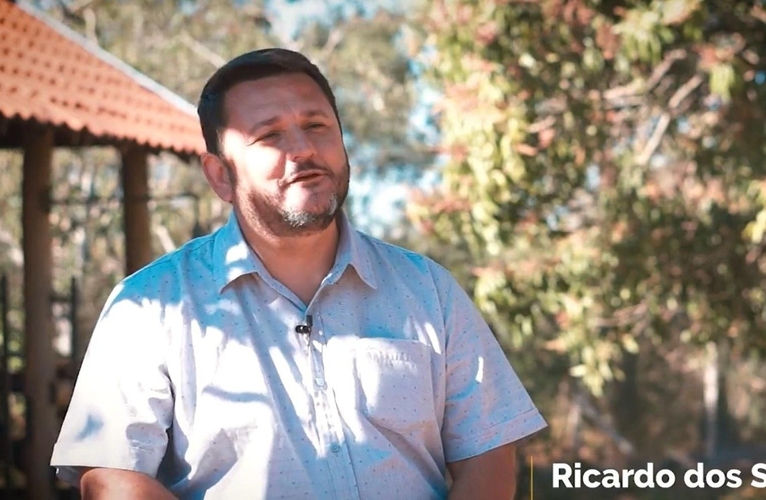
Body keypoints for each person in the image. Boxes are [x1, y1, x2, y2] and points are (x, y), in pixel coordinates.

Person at [50, 47, 547, 500]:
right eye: (268, 136)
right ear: (221, 175)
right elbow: (111, 477)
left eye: (316, 126)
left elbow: (488, 455)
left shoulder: (429, 290)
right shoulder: (149, 306)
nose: (302, 150)